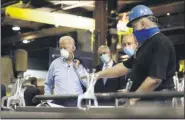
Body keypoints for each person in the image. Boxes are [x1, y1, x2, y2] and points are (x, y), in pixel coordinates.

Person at [94, 5, 176, 106]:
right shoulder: (144, 46)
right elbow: (124, 66)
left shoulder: (160, 43)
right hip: (144, 100)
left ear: (143, 23)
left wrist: (133, 99)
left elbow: (155, 79)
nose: (133, 31)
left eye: (134, 27)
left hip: (156, 102)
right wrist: (98, 75)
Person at [44, 36, 87, 107]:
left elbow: (87, 84)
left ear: (73, 48)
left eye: (65, 48)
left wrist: (78, 70)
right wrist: (49, 101)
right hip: (58, 102)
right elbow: (48, 84)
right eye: (61, 48)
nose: (62, 50)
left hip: (76, 103)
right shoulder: (55, 64)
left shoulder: (80, 64)